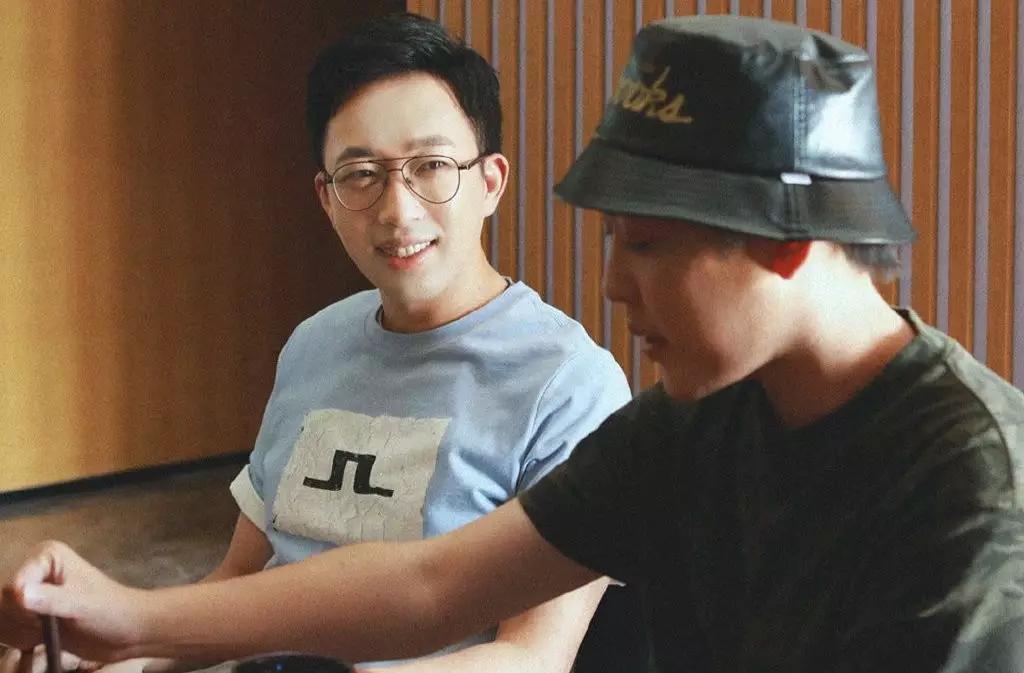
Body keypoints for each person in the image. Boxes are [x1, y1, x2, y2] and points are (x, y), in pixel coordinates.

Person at [5, 13, 1024, 673]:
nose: (612, 283)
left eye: (646, 245)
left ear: (787, 244)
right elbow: (433, 583)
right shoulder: (693, 421)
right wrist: (129, 617)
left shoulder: (970, 492)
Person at [0, 12, 634, 673]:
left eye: (432, 166)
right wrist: (109, 659)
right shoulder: (315, 343)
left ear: (490, 181)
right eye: (361, 174)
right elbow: (239, 581)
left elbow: (532, 657)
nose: (398, 209)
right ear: (326, 198)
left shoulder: (568, 382)